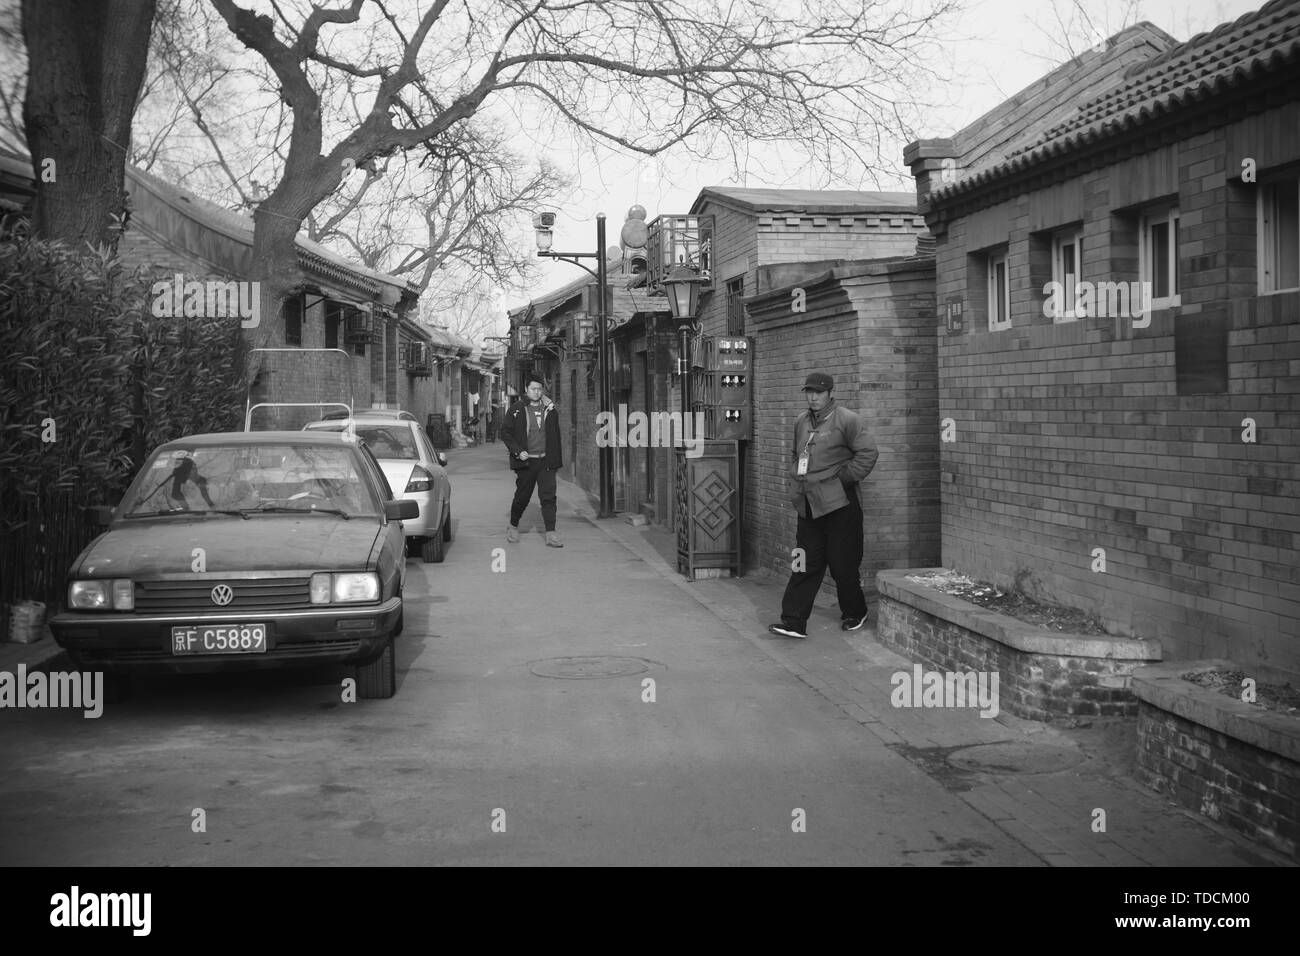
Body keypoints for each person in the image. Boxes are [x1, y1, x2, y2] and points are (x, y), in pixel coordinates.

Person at [769, 371, 878, 639]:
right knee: (803, 563)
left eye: (818, 392)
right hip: (808, 504)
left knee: (843, 564)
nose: (813, 397)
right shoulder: (800, 422)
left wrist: (843, 480)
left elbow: (868, 453)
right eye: (809, 392)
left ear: (830, 392)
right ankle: (793, 621)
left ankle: (855, 611)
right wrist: (796, 475)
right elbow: (797, 454)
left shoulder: (847, 420)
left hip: (840, 504)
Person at [501, 373, 564, 547]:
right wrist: (517, 451)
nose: (536, 392)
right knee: (522, 497)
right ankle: (513, 525)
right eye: (533, 389)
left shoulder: (549, 410)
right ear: (526, 390)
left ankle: (551, 534)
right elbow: (505, 432)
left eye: (539, 389)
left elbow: (556, 436)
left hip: (546, 462)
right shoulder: (517, 409)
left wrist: (556, 460)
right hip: (527, 462)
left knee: (548, 497)